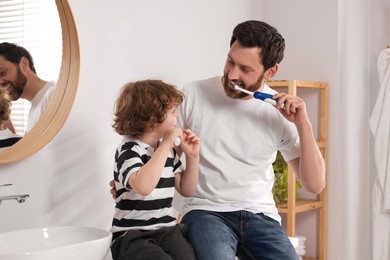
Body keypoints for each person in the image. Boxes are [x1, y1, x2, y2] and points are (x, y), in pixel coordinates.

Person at [111, 20, 326, 259]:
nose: (232, 74)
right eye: (230, 61)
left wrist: (303, 125)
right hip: (206, 212)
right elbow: (161, 156)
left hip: (261, 215)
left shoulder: (280, 111)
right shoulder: (192, 94)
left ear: (271, 71)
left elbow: (314, 185)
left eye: (245, 69)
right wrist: (130, 182)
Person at [110, 79, 200, 260]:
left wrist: (192, 157)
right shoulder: (128, 150)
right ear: (151, 121)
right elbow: (143, 186)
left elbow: (187, 189)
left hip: (166, 230)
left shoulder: (164, 151)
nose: (177, 117)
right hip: (132, 235)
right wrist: (166, 145)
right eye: (173, 112)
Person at [0, 42, 56, 132]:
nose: (0, 83)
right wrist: (2, 113)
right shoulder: (37, 104)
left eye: (2, 73)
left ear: (24, 64)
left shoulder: (53, 96)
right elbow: (26, 145)